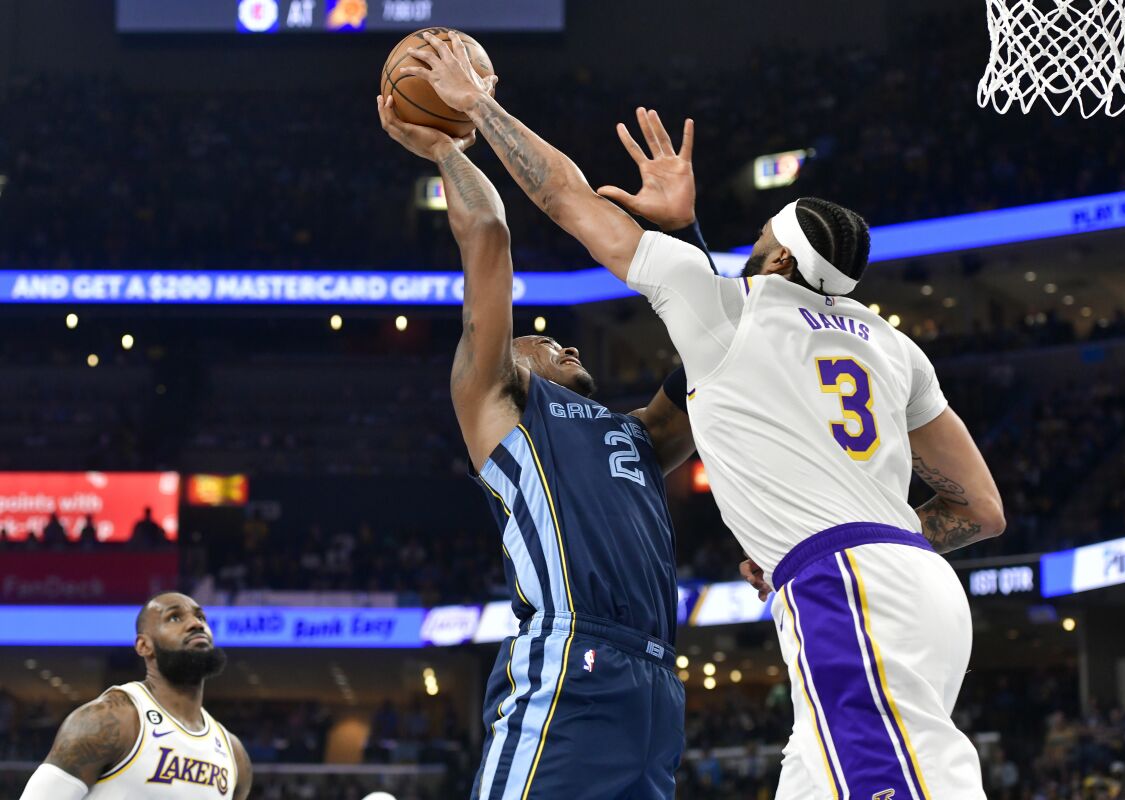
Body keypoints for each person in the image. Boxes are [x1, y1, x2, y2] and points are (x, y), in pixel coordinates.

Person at [402, 32, 1007, 799]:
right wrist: (851, 539)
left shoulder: (729, 316)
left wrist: (475, 105)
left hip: (839, 589)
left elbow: (566, 200)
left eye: (756, 240)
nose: (743, 250)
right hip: (897, 585)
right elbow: (980, 510)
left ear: (779, 259)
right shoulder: (892, 347)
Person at [377, 84, 699, 800]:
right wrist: (444, 147)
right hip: (570, 657)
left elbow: (718, 345)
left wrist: (681, 233)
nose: (560, 344)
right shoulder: (502, 405)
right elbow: (489, 234)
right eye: (539, 341)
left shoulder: (639, 435)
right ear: (507, 360)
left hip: (656, 685)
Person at [19, 592, 252, 799]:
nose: (195, 624)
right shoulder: (106, 721)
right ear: (144, 646)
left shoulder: (234, 754)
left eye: (200, 617)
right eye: (174, 617)